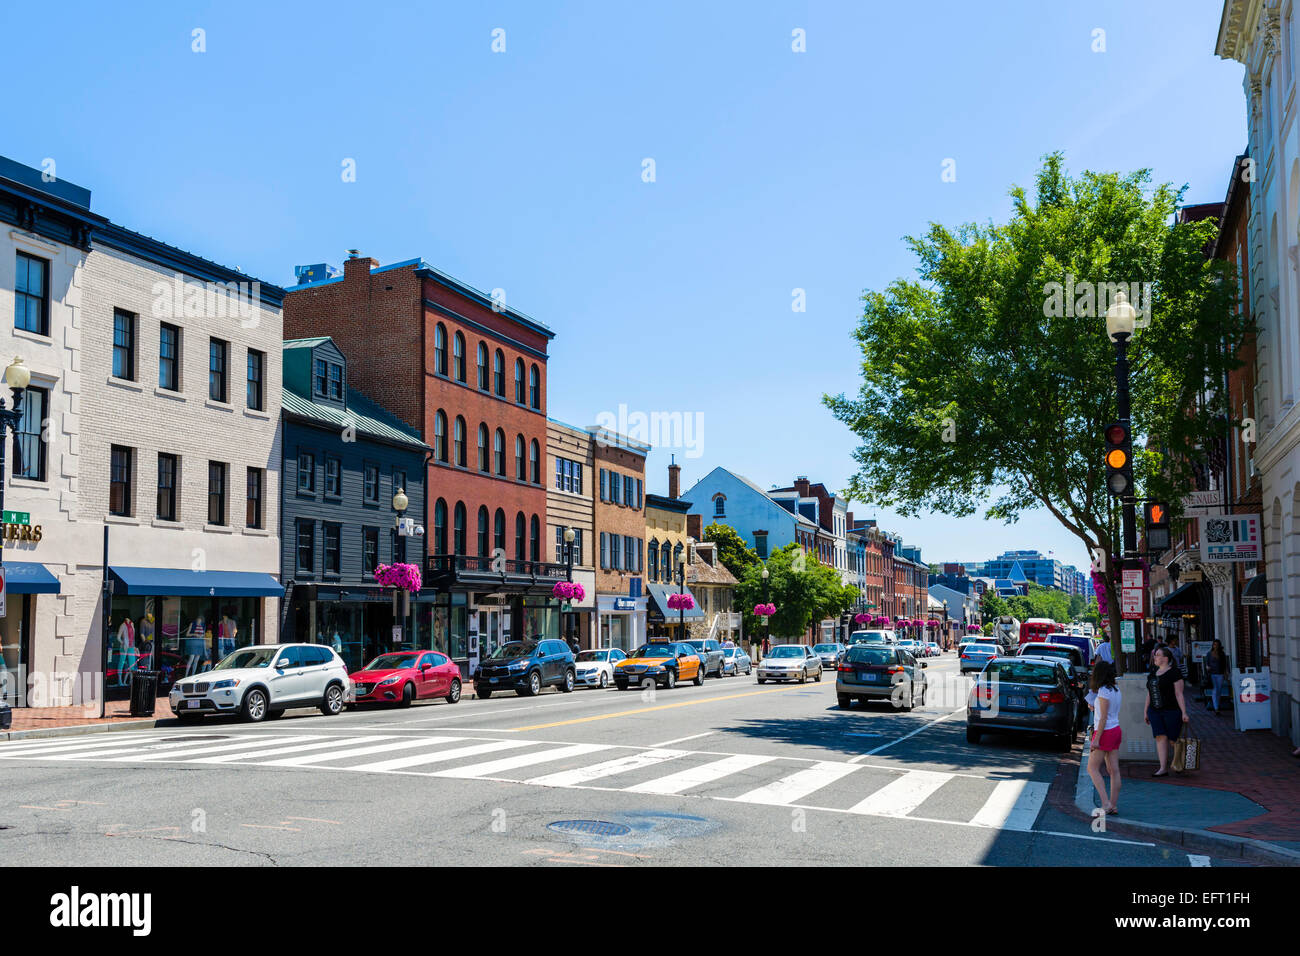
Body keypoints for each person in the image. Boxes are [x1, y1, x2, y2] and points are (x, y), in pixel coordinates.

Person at [1145, 645, 1189, 776]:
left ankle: (1179, 763)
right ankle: (1163, 768)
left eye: (1157, 655)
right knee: (1160, 737)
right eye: (1155, 655)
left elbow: (1179, 694)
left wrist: (1184, 712)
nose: (1155, 657)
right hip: (1154, 710)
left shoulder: (1175, 672)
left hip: (1172, 710)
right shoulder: (1153, 672)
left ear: (1165, 658)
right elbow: (1149, 693)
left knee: (1173, 740)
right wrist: (1145, 710)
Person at [1087, 660, 1123, 815]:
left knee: (1092, 768)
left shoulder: (1102, 691)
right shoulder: (1116, 690)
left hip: (1105, 731)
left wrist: (1096, 739)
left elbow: (1102, 719)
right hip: (1115, 729)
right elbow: (1107, 713)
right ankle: (1113, 805)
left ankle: (1105, 803)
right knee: (1113, 770)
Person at [1204, 639, 1227, 715]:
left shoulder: (1222, 654)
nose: (1215, 646)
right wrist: (1207, 667)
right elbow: (1206, 664)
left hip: (1220, 674)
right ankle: (1216, 708)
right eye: (1214, 644)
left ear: (1219, 646)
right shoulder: (1209, 654)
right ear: (1212, 645)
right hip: (1212, 674)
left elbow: (1224, 664)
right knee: (1215, 690)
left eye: (1217, 645)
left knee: (1219, 690)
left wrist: (1225, 673)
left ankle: (1217, 704)